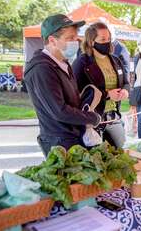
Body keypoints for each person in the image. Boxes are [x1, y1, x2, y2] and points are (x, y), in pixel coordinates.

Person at [24, 14, 101, 156]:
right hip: (59, 142)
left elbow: (71, 99)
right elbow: (59, 110)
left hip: (73, 136)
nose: (76, 41)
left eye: (75, 37)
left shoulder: (63, 62)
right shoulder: (41, 69)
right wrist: (92, 118)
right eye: (69, 38)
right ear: (52, 41)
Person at [73, 22, 130, 148]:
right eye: (103, 39)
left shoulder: (116, 60)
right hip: (93, 121)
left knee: (119, 157)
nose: (107, 43)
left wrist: (126, 91)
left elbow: (126, 82)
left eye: (109, 39)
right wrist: (107, 94)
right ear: (92, 41)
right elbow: (77, 93)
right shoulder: (81, 63)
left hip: (113, 117)